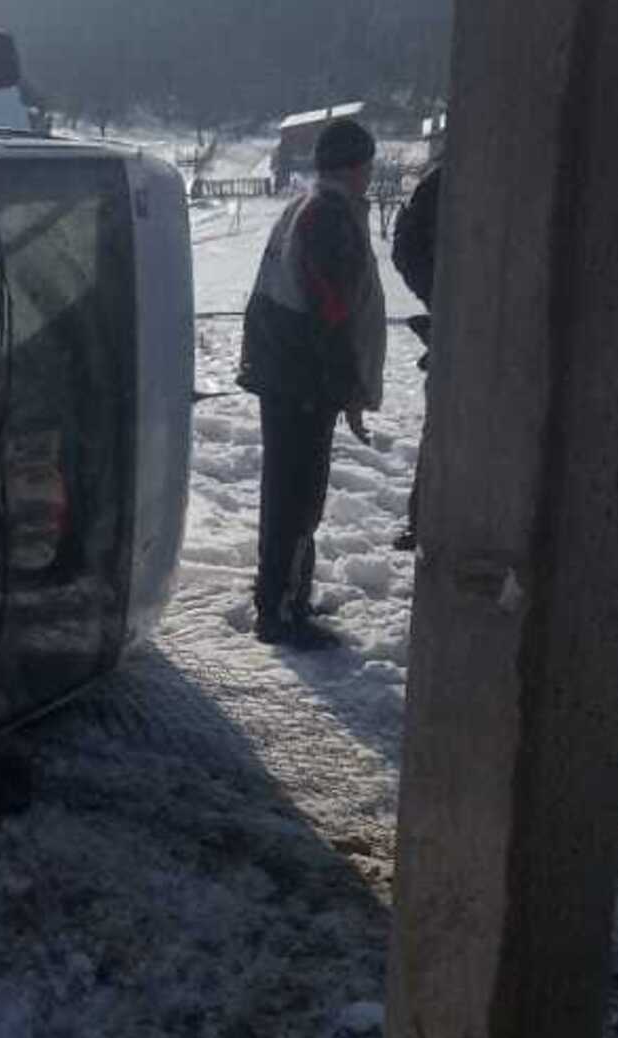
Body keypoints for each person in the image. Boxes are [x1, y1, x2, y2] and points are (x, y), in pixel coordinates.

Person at [239, 118, 387, 649]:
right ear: (354, 166)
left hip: (286, 373)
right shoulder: (329, 218)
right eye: (367, 164)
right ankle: (280, 611)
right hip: (303, 380)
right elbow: (334, 314)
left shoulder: (305, 206)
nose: (371, 174)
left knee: (287, 494)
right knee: (298, 498)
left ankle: (284, 596)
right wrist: (347, 388)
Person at [390, 164, 442, 551]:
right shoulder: (446, 181)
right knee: (445, 427)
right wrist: (444, 300)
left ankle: (425, 520)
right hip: (465, 325)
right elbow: (406, 248)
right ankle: (425, 521)